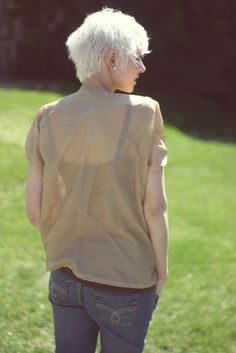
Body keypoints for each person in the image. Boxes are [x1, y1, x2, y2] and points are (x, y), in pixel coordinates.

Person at [25, 7, 169, 353]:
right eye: (137, 57)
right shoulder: (144, 113)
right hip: (126, 283)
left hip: (64, 278)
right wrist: (161, 274)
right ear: (112, 59)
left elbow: (35, 210)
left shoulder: (47, 116)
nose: (143, 67)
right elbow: (155, 209)